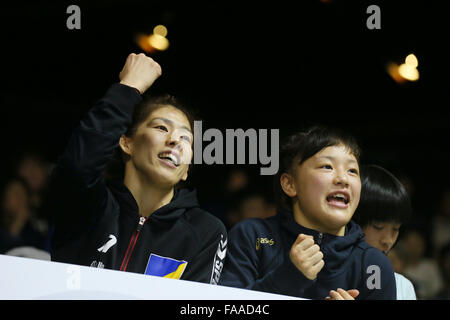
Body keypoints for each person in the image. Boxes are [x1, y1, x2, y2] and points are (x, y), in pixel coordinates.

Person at [47, 53, 227, 284]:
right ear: (126, 142)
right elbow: (78, 166)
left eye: (186, 138)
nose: (175, 141)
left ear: (187, 170)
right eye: (162, 128)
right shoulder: (88, 203)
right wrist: (128, 88)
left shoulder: (205, 232)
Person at [219, 126, 396, 299]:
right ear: (290, 184)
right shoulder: (252, 236)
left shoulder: (374, 265)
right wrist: (289, 277)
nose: (343, 179)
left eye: (352, 171)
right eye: (327, 166)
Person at [352, 164, 416, 299]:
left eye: (396, 229)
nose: (387, 240)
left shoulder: (402, 286)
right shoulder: (323, 273)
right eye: (377, 226)